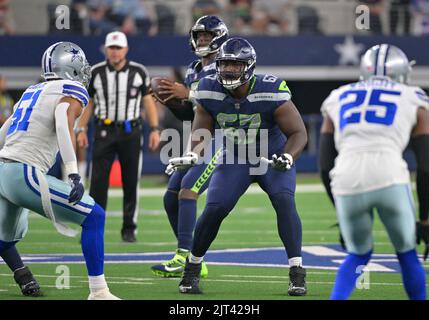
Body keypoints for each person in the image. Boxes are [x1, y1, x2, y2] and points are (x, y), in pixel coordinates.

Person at [171, 37, 308, 296]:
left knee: (284, 200)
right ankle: (192, 269)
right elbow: (202, 128)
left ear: (249, 66)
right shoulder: (209, 89)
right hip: (236, 157)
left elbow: (299, 133)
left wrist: (288, 157)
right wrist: (192, 154)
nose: (228, 70)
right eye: (224, 64)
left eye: (235, 65)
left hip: (272, 157)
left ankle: (297, 273)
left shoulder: (270, 89)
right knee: (214, 208)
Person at [0, 41, 119, 299]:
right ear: (72, 67)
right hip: (24, 172)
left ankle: (23, 275)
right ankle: (99, 292)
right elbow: (63, 117)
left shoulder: (33, 90)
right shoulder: (72, 89)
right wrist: (73, 171)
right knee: (94, 217)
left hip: (4, 170)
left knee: (5, 239)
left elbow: (5, 131)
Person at [319, 44, 429, 300]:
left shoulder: (339, 95)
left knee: (358, 253)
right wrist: (425, 219)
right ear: (402, 72)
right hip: (389, 174)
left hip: (345, 178)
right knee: (406, 253)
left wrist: (340, 209)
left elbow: (325, 165)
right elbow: (425, 166)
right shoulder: (413, 96)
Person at [150, 15, 228, 279]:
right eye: (199, 36)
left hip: (223, 138)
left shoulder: (226, 65)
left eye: (207, 36)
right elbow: (189, 114)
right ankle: (196, 259)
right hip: (198, 138)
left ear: (218, 37)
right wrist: (171, 101)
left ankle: (184, 258)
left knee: (187, 191)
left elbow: (224, 103)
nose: (202, 40)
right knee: (170, 197)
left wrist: (190, 93)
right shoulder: (194, 68)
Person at [76, 31, 160, 243]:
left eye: (118, 48)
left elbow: (148, 101)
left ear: (126, 49)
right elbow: (89, 103)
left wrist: (155, 128)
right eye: (111, 48)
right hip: (103, 131)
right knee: (97, 183)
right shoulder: (95, 72)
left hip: (131, 131)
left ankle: (129, 228)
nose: (114, 52)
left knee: (131, 181)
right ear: (106, 49)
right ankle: (95, 226)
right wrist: (81, 129)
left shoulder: (139, 71)